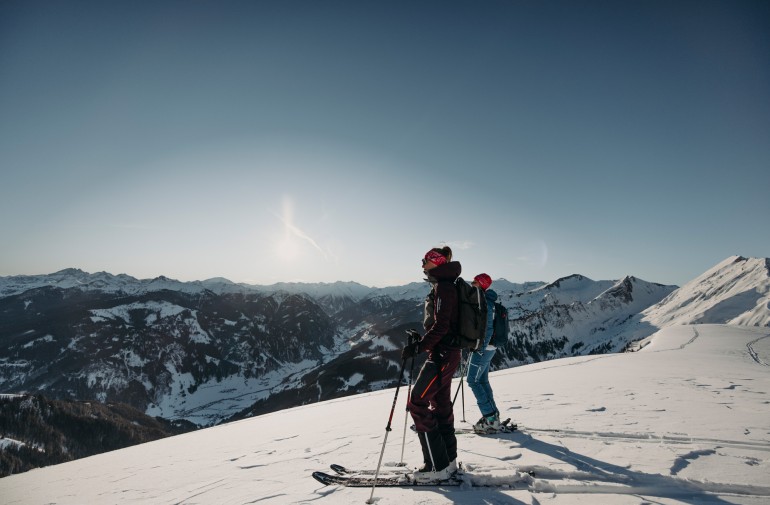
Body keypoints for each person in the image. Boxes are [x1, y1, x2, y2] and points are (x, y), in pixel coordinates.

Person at [402, 246, 462, 482]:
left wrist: (419, 347)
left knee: (417, 403)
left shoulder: (444, 287)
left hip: (441, 357)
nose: (422, 264)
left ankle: (437, 466)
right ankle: (448, 461)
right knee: (441, 406)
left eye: (425, 260)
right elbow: (441, 326)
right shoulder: (447, 284)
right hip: (446, 354)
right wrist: (424, 341)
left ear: (435, 262)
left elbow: (441, 326)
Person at [466, 273, 502, 434]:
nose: (471, 283)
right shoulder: (489, 301)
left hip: (483, 348)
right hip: (490, 348)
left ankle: (490, 418)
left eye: (474, 281)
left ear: (480, 284)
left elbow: (487, 329)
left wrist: (479, 348)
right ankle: (493, 414)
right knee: (482, 380)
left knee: (472, 381)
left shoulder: (485, 303)